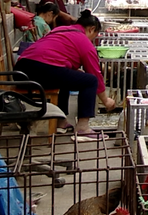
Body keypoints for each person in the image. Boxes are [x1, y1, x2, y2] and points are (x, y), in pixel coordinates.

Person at [16, 10, 116, 138]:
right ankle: (83, 128)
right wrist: (106, 100)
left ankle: (61, 121)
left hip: (21, 70)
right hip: (40, 71)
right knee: (90, 81)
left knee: (68, 78)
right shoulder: (84, 41)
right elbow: (95, 73)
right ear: (91, 29)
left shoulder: (60, 30)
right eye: (95, 36)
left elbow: (56, 54)